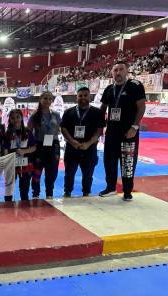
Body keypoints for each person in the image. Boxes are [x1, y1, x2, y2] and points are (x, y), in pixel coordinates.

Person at [99, 61, 146, 201]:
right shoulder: (109, 89)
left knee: (128, 161)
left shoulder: (134, 86)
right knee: (109, 161)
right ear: (112, 73)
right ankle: (110, 187)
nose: (118, 72)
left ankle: (127, 191)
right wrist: (100, 127)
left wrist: (134, 127)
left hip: (128, 133)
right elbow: (102, 109)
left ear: (126, 72)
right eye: (115, 70)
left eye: (120, 70)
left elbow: (141, 107)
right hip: (112, 133)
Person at [60, 87, 105, 197]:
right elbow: (63, 129)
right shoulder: (68, 112)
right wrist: (72, 141)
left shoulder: (97, 113)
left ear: (90, 97)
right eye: (80, 95)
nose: (83, 98)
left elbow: (99, 131)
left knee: (88, 175)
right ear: (77, 97)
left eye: (85, 95)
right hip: (72, 149)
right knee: (69, 174)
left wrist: (88, 143)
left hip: (89, 149)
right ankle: (67, 193)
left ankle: (86, 193)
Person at [28, 91, 61, 199]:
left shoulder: (56, 115)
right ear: (40, 99)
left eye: (50, 99)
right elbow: (28, 132)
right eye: (45, 98)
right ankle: (35, 193)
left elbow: (61, 129)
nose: (47, 101)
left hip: (53, 146)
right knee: (37, 171)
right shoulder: (34, 116)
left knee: (51, 172)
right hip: (39, 146)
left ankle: (49, 193)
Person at [3, 109, 36, 201]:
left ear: (22, 118)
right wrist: (7, 164)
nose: (16, 120)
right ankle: (8, 209)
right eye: (13, 118)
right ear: (9, 120)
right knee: (9, 190)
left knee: (24, 190)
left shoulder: (28, 132)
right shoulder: (7, 134)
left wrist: (24, 151)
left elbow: (34, 147)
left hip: (26, 164)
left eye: (18, 117)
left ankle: (25, 210)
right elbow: (5, 149)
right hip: (11, 165)